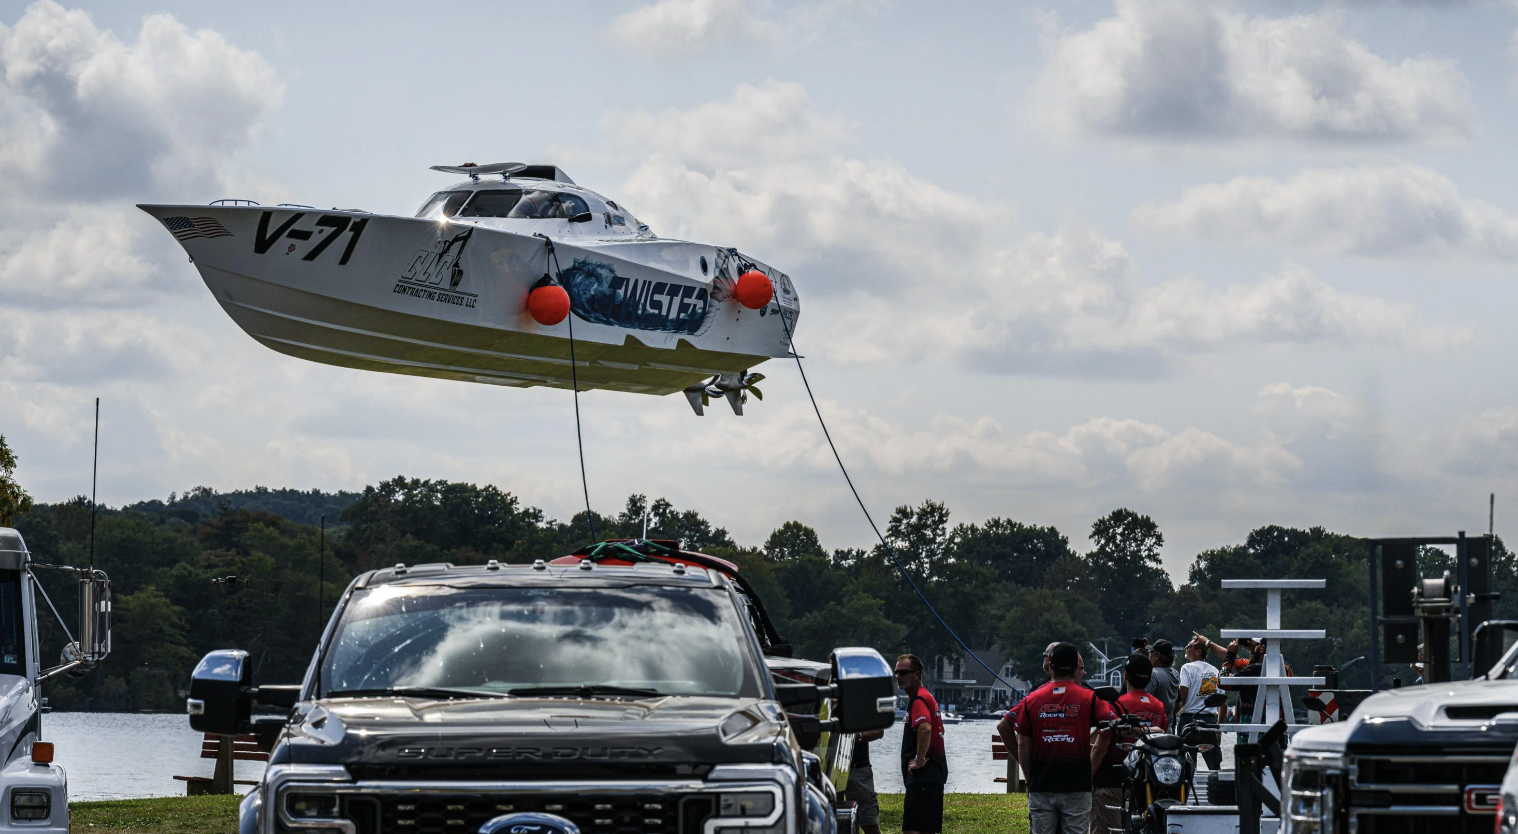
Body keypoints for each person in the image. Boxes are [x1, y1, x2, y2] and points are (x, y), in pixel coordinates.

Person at [1016, 642, 1117, 834]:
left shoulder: (1031, 700)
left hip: (1041, 785)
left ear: (1050, 665)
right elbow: (1112, 728)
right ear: (1076, 668)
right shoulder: (1090, 698)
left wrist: (1030, 780)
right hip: (1077, 785)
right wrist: (1091, 768)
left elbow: (1023, 745)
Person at [1092, 654, 1169, 834]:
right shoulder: (1158, 706)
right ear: (1149, 678)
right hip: (1145, 782)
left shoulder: (1116, 705)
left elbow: (1100, 747)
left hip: (1112, 780)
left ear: (1125, 675)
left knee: (1105, 828)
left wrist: (1087, 778)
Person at [894, 653, 947, 834]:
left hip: (923, 776)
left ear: (916, 674)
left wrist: (919, 759)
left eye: (903, 672)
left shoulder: (918, 699)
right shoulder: (927, 697)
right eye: (896, 673)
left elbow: (925, 728)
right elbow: (940, 729)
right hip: (933, 775)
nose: (898, 677)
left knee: (912, 830)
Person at [1175, 636, 1223, 771]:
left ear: (1198, 651)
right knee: (1215, 766)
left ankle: (1187, 791)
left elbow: (1182, 697)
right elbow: (1222, 703)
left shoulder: (1187, 668)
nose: (1185, 648)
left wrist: (1173, 714)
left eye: (1189, 646)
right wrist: (1219, 729)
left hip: (1189, 719)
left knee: (1186, 765)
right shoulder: (1215, 671)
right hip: (1210, 720)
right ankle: (1217, 789)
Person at [843, 730, 883, 834]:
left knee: (868, 820)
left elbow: (879, 731)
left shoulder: (863, 713)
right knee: (825, 818)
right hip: (825, 767)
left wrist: (856, 736)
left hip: (858, 767)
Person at [1146, 639, 1180, 721]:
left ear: (1157, 656)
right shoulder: (1175, 673)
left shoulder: (1153, 674)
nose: (1148, 655)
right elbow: (1178, 705)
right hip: (1168, 727)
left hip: (1153, 728)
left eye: (1150, 652)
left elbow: (1145, 703)